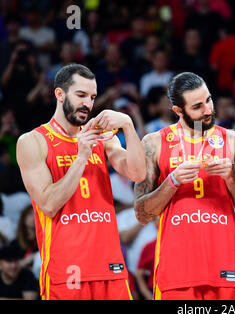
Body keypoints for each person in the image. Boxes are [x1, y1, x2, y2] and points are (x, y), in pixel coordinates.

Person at [16, 63, 146, 300]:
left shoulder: (101, 136)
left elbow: (138, 174)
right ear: (60, 94)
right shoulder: (33, 141)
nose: (88, 102)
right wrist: (82, 156)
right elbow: (48, 204)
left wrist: (127, 125)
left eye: (93, 97)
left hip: (110, 265)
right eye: (81, 95)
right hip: (66, 269)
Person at [134, 71, 235, 300]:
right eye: (197, 106)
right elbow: (141, 213)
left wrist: (231, 178)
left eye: (209, 100)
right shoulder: (154, 143)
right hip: (177, 270)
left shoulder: (233, 140)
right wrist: (172, 181)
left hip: (226, 264)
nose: (208, 110)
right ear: (178, 111)